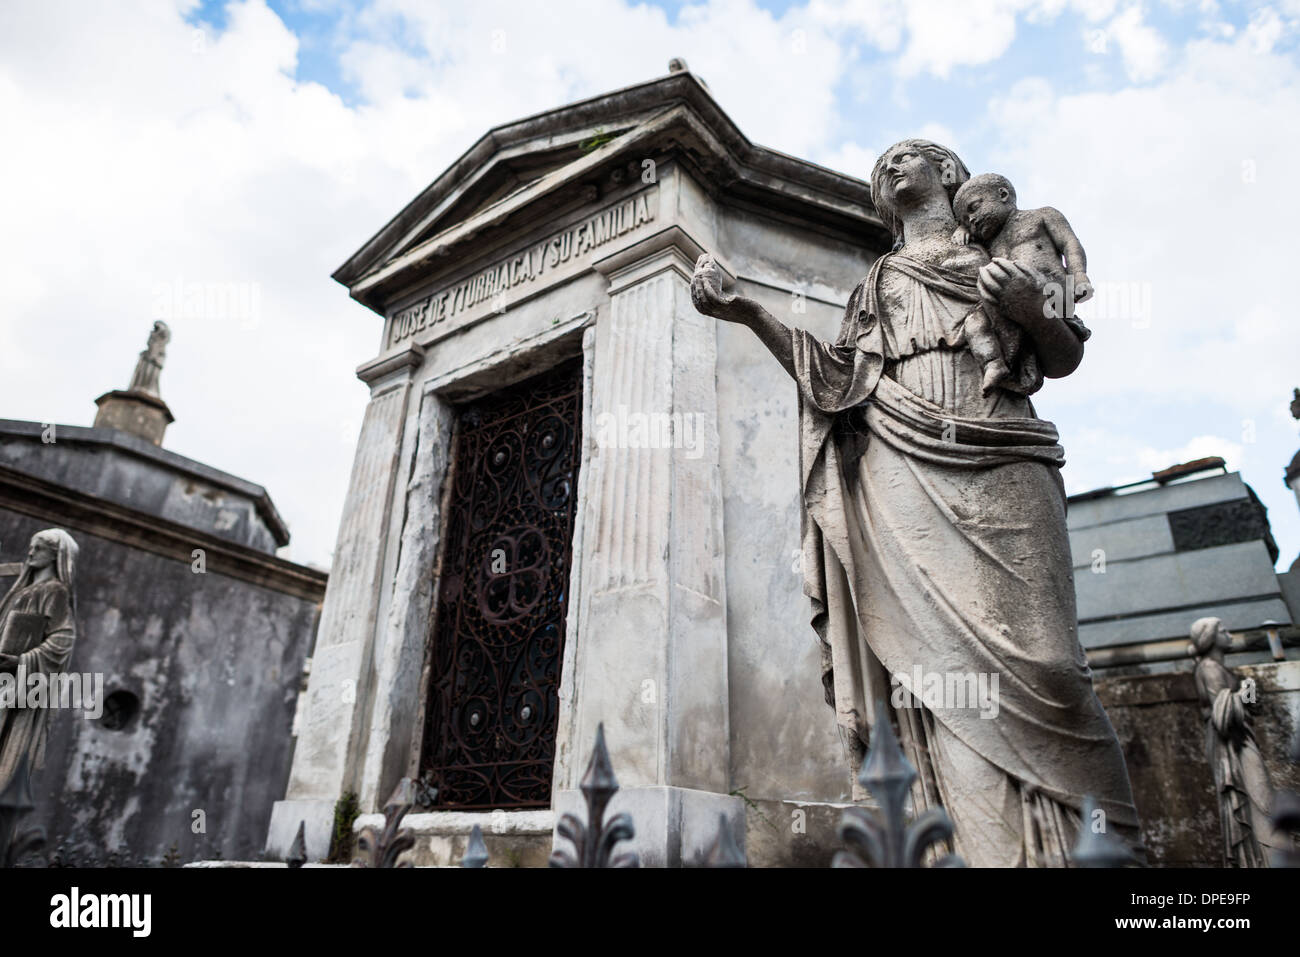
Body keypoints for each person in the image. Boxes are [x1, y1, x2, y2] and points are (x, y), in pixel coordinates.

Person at [690, 139, 1142, 866]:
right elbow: (832, 378)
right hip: (899, 462)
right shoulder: (874, 283)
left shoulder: (1014, 239)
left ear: (951, 173)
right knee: (931, 679)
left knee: (1052, 665)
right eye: (881, 167)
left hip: (1004, 454)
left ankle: (1101, 848)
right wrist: (744, 308)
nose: (889, 168)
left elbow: (1064, 352)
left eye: (906, 157)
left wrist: (1032, 306)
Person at [0, 528, 79, 792]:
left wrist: (21, 662)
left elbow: (63, 640)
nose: (31, 552)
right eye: (31, 546)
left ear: (55, 556)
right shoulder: (24, 590)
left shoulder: (55, 591)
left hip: (16, 681)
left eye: (39, 548)